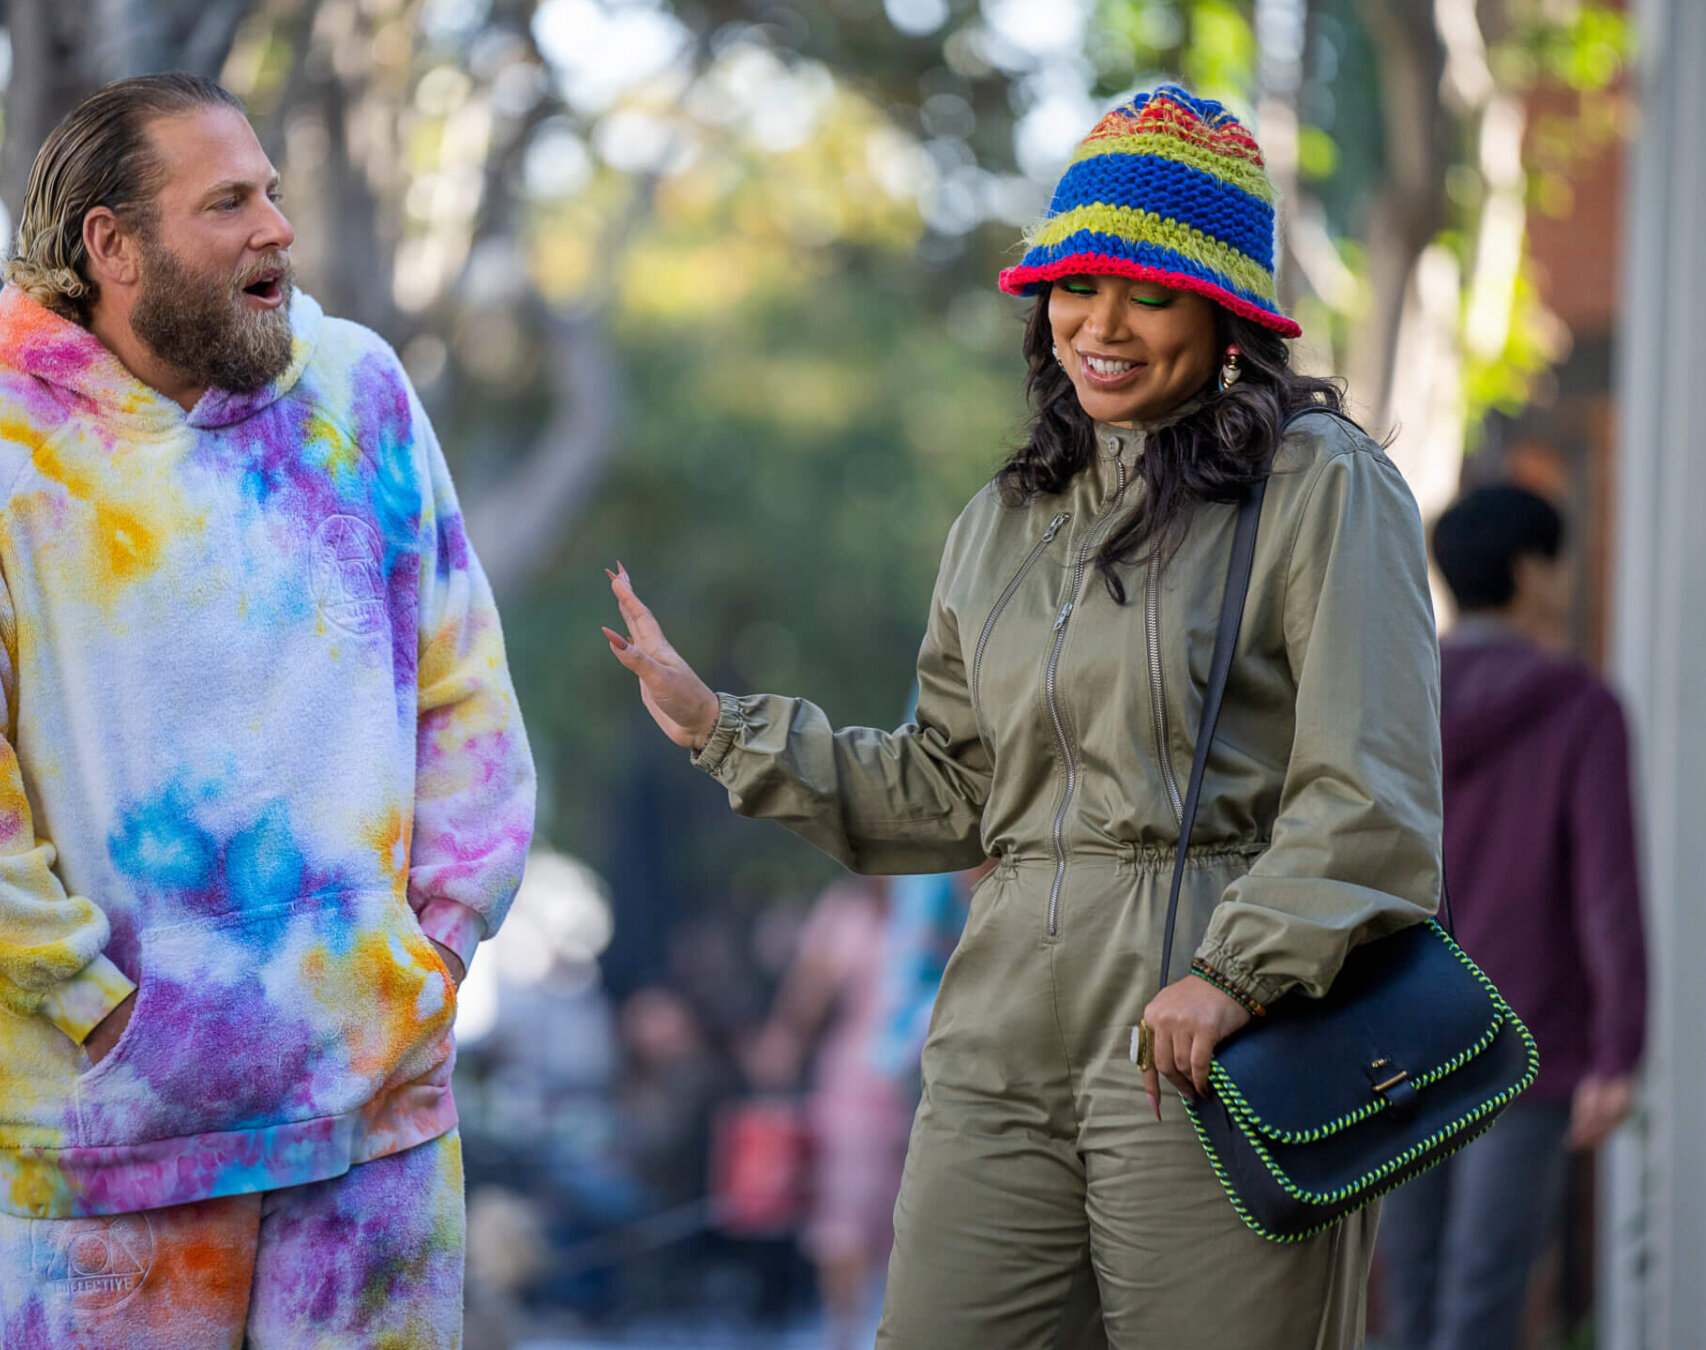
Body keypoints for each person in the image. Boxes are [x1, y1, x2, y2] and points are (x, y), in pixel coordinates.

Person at [603, 86, 1441, 1348]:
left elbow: (1368, 786)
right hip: (999, 1035)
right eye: (1074, 286)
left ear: (1226, 317)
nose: (1097, 326)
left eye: (1147, 295)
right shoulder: (1005, 516)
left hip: (1212, 1036)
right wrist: (725, 730)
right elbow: (953, 786)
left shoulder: (1319, 486)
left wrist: (1234, 975)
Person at [0, 73, 534, 1348]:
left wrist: (430, 957)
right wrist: (103, 1011)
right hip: (110, 1137)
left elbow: (466, 693)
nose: (277, 226)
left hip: (371, 1114)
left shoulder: (360, 393)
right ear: (112, 245)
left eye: (273, 191)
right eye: (230, 203)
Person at [1377, 484, 1649, 1350]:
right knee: (1486, 1294)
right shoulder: (1579, 705)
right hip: (1523, 1043)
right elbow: (1606, 889)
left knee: (1405, 1288)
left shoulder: (1393, 704)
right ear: (1533, 570)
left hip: (1395, 1040)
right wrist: (1620, 1047)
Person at [744, 877, 915, 1350]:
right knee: (845, 1212)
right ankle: (846, 1333)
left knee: (916, 1212)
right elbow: (810, 988)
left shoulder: (936, 899)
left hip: (929, 1075)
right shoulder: (846, 907)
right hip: (858, 1079)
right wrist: (783, 1042)